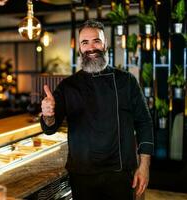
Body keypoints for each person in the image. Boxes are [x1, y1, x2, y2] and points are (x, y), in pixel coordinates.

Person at [40, 19, 154, 200]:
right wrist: (48, 114)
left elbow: (144, 123)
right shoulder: (68, 86)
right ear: (79, 48)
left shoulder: (126, 81)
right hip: (82, 176)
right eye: (85, 42)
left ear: (105, 44)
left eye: (96, 41)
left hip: (120, 174)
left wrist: (144, 166)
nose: (91, 47)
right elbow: (50, 127)